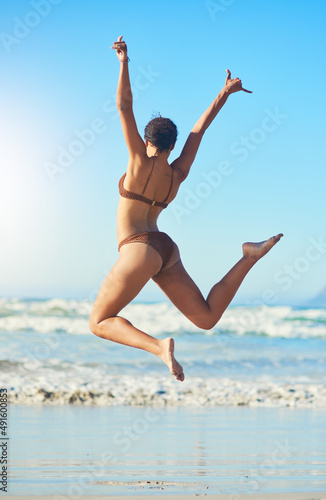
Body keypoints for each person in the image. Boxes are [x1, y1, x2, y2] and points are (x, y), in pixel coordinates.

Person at [89, 36, 283, 382]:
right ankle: (249, 256)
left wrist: (123, 62)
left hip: (138, 248)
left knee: (99, 322)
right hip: (165, 249)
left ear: (147, 141)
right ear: (172, 145)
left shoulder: (136, 162)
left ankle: (159, 348)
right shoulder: (177, 173)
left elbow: (124, 107)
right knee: (206, 317)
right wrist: (224, 93)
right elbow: (200, 128)